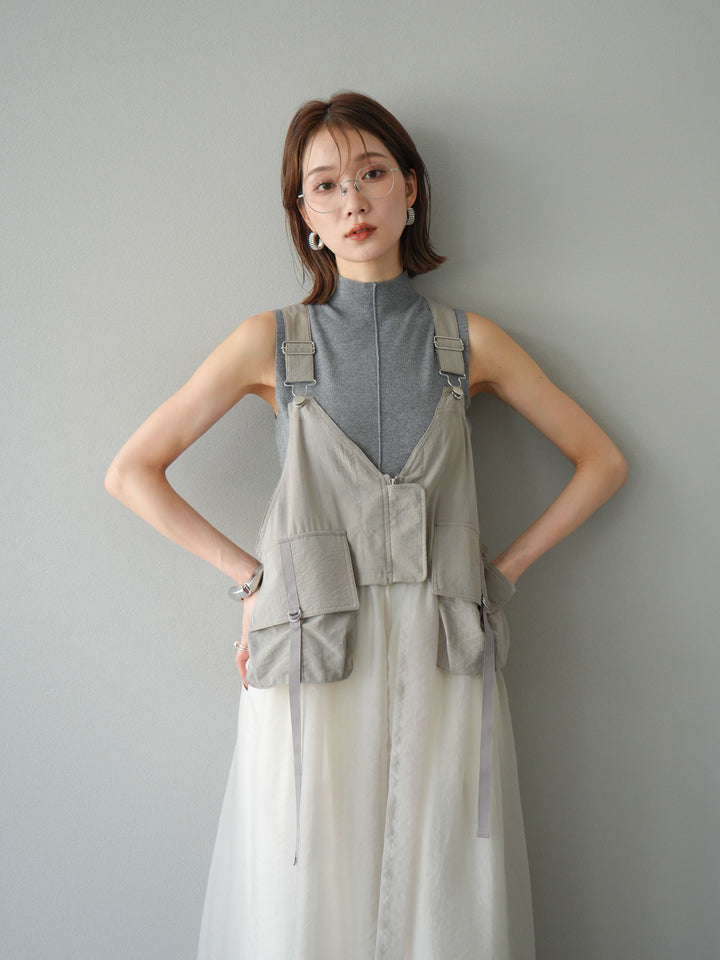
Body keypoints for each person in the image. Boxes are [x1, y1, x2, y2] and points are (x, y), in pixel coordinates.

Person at [105, 91, 627, 960]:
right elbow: (132, 472)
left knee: (440, 874)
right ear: (304, 214)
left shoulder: (470, 343)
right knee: (307, 875)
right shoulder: (270, 342)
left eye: (372, 173)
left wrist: (503, 573)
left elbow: (601, 461)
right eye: (325, 185)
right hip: (312, 648)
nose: (353, 200)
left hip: (442, 650)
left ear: (410, 189)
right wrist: (249, 578)